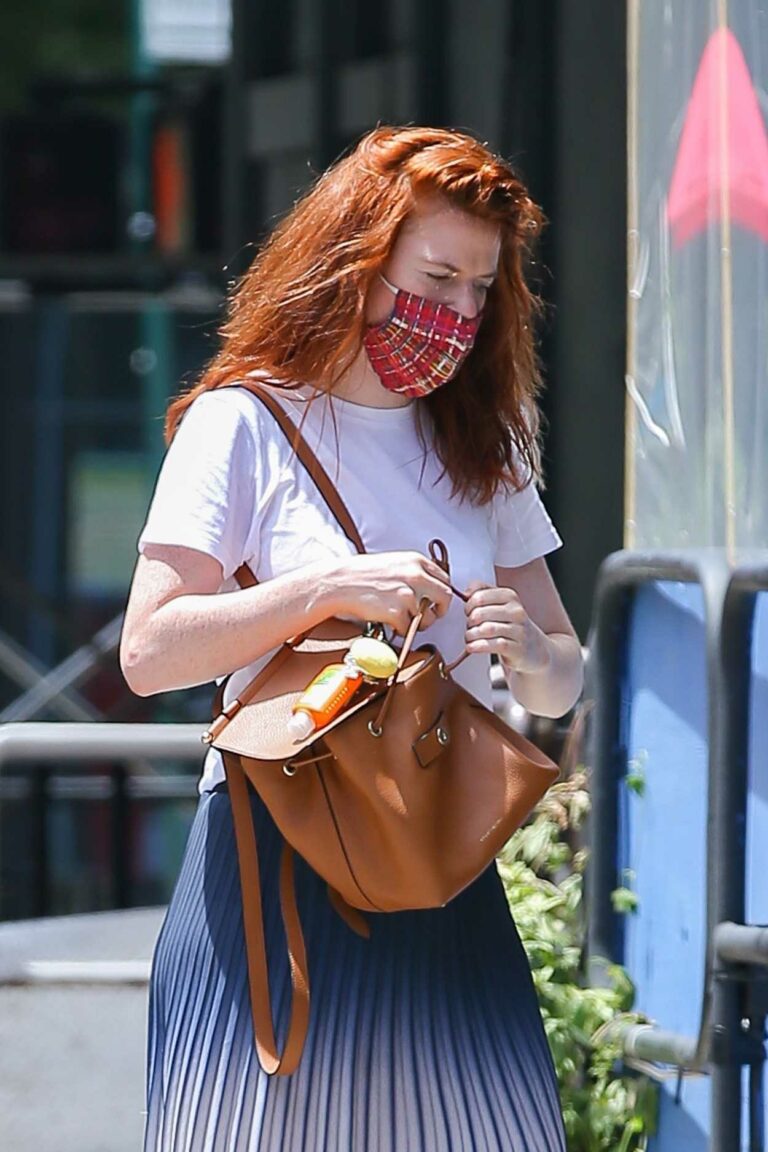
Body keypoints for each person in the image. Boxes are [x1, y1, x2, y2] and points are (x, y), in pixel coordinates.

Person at [121, 124, 583, 1152]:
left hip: (438, 863)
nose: (458, 314)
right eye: (438, 276)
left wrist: (535, 652)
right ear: (357, 258)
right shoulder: (239, 424)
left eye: (481, 290)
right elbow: (147, 651)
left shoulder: (485, 447)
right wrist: (325, 588)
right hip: (271, 862)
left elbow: (558, 683)